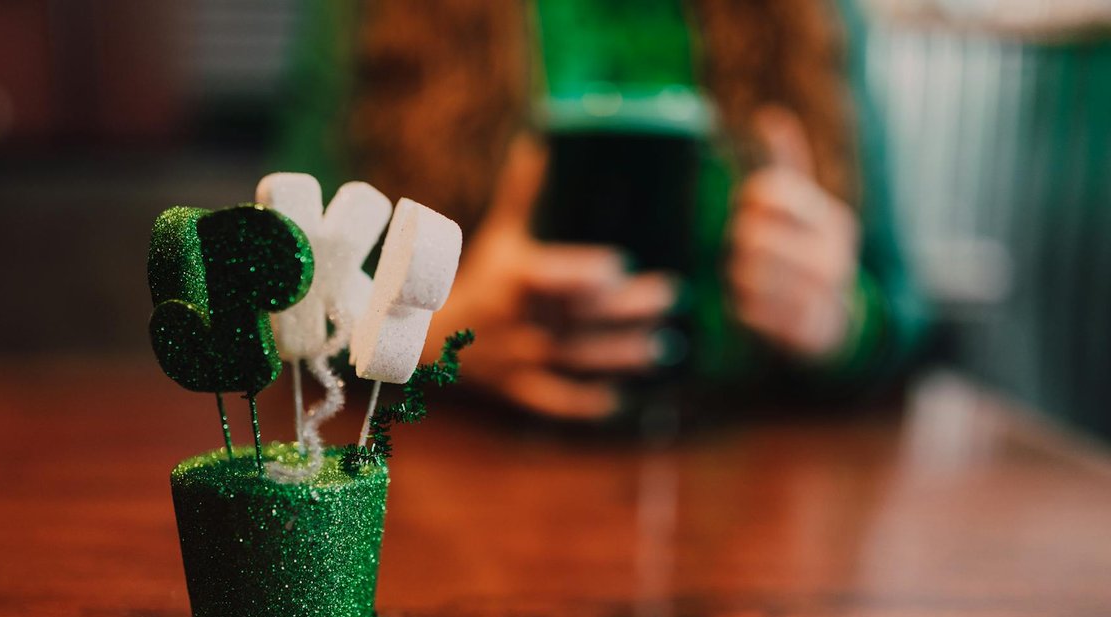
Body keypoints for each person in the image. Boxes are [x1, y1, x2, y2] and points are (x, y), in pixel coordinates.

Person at [277, 0, 930, 421]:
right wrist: (428, 338)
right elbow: (283, 285)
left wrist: (839, 317)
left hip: (752, 496)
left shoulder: (815, 16)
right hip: (465, 481)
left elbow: (901, 307)